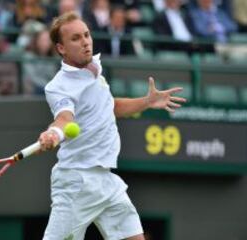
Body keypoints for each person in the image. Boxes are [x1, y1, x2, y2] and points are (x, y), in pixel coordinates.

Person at [38, 12, 186, 240]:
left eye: (86, 35)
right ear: (61, 48)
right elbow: (64, 119)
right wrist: (54, 133)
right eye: (76, 38)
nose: (86, 42)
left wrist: (146, 102)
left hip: (107, 181)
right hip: (77, 182)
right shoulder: (58, 87)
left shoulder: (93, 68)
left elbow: (110, 106)